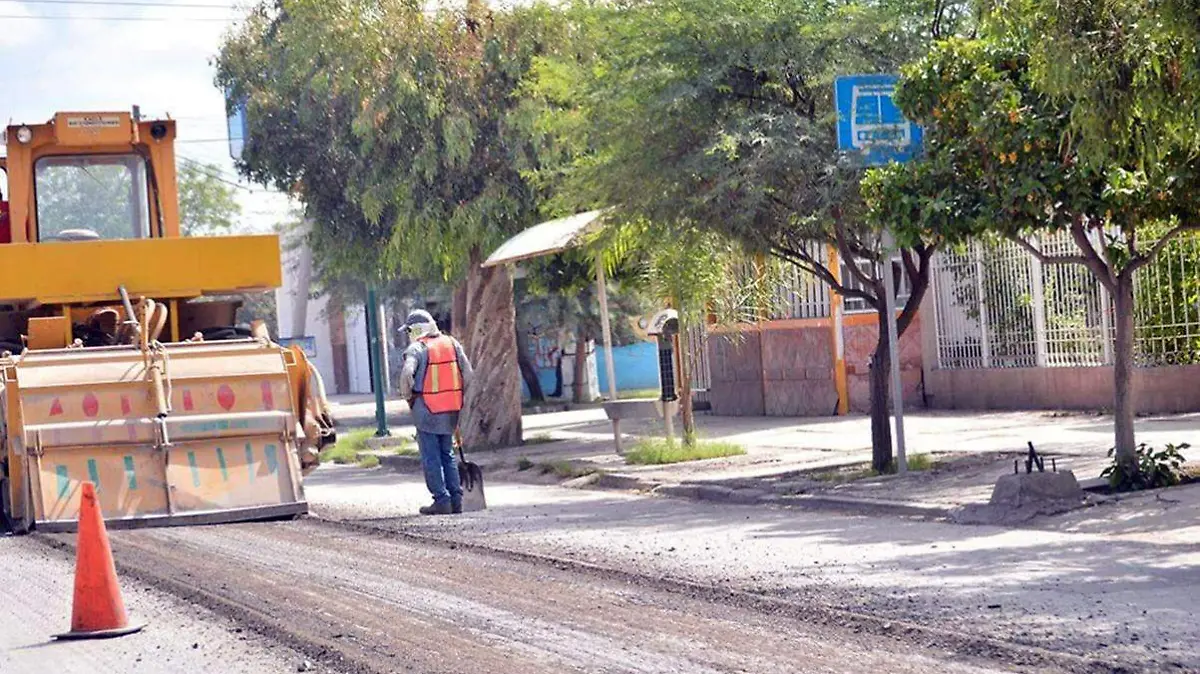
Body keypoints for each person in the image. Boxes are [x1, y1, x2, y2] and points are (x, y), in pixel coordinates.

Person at [398, 309, 473, 515]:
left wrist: (408, 396)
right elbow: (468, 374)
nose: (408, 335)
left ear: (416, 330)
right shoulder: (452, 344)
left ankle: (441, 499)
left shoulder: (417, 348)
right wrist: (457, 397)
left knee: (431, 457)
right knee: (447, 454)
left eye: (409, 330)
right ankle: (456, 499)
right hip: (450, 410)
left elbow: (407, 374)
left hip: (426, 411)